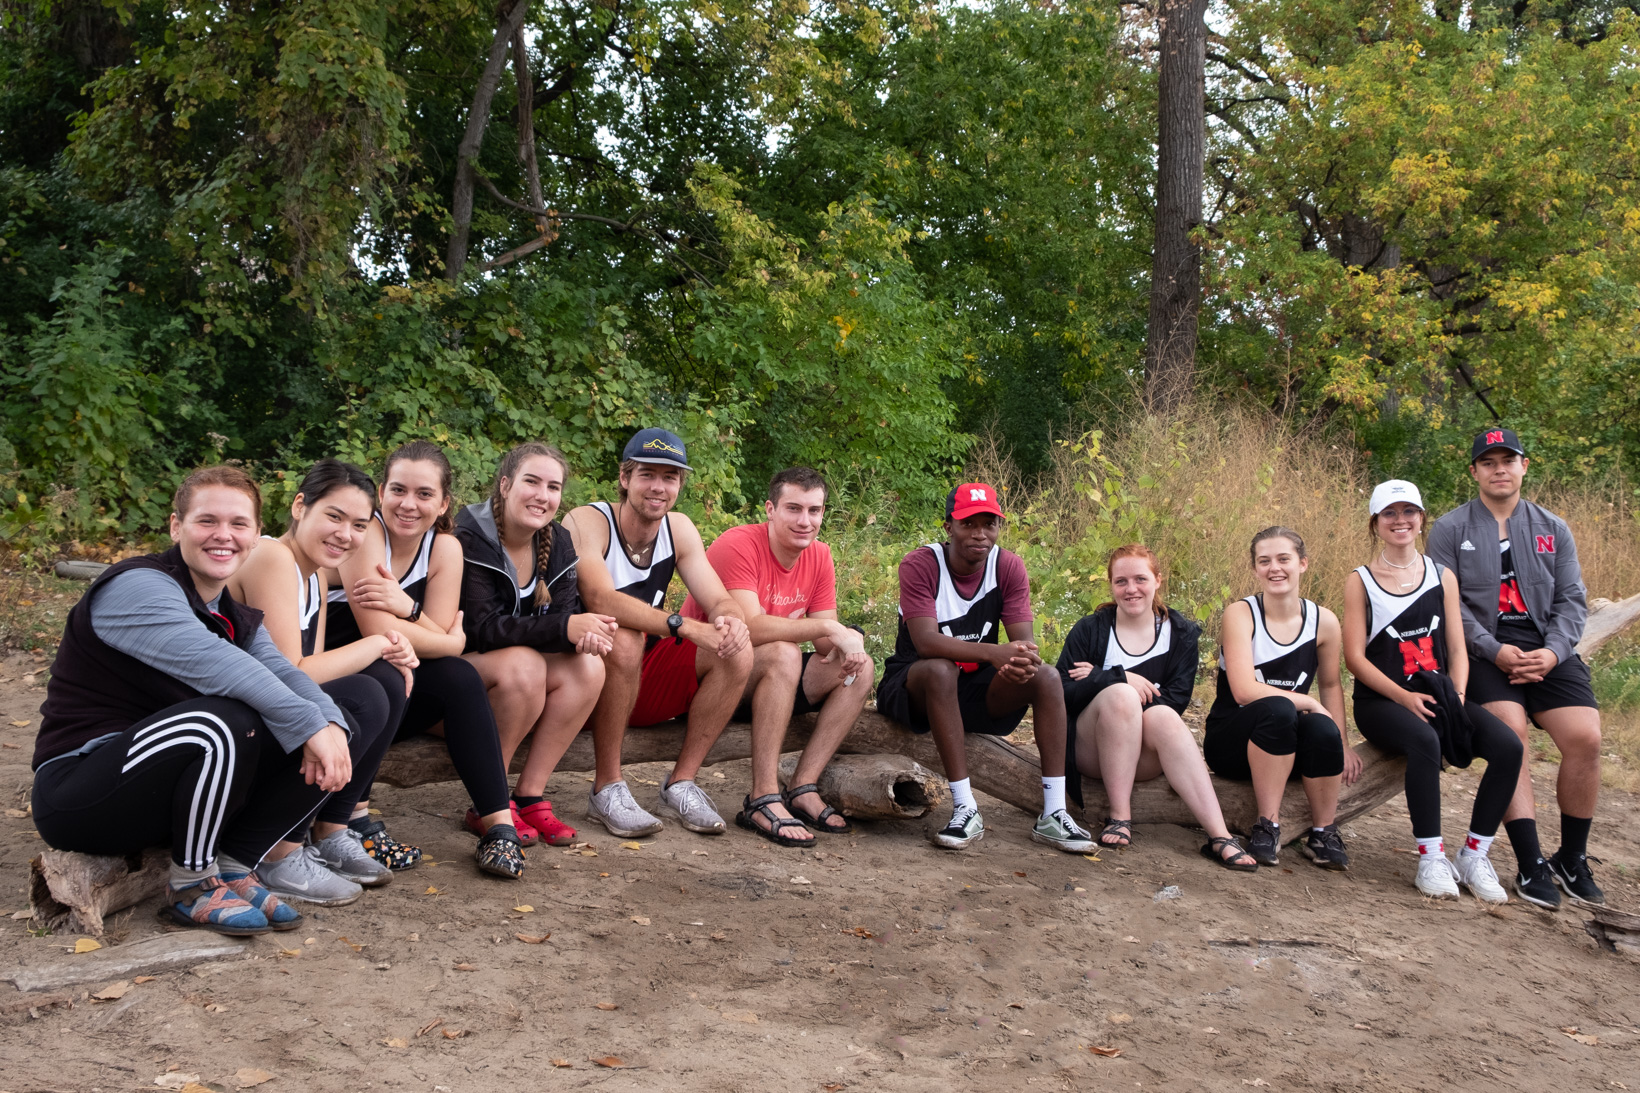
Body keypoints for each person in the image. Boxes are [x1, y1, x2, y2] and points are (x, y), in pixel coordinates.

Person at [31, 466, 366, 934]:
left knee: (349, 712)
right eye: (207, 521)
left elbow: (286, 675)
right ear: (176, 527)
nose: (223, 535)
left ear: (254, 535)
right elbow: (224, 667)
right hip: (81, 795)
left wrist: (330, 725)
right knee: (223, 719)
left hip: (159, 796)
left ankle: (235, 865)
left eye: (238, 524)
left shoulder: (232, 614)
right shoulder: (136, 587)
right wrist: (311, 726)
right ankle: (191, 883)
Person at [328, 441, 526, 879]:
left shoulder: (444, 549)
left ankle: (498, 825)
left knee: (458, 677)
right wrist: (448, 640)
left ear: (443, 503)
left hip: (390, 689)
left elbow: (426, 631)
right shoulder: (363, 534)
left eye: (423, 494)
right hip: (335, 681)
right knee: (397, 668)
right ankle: (353, 820)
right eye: (398, 490)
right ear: (381, 492)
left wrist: (405, 606)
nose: (408, 504)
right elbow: (379, 634)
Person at [1428, 429, 1605, 909]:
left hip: (1546, 648)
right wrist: (1492, 648)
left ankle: (1571, 857)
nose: (1499, 468)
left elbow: (1572, 599)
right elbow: (1445, 603)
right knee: (1511, 731)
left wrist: (1553, 651)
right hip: (1481, 650)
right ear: (1475, 472)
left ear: (1525, 466)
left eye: (1508, 459)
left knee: (1586, 736)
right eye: (1488, 462)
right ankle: (1530, 864)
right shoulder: (1449, 529)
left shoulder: (1553, 527)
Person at [225, 459, 416, 903]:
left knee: (386, 681)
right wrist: (382, 642)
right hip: (236, 719)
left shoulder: (314, 576)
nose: (345, 534)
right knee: (368, 690)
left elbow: (316, 668)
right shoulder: (273, 557)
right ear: (299, 507)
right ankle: (277, 852)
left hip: (268, 713)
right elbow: (292, 670)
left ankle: (331, 828)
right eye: (334, 516)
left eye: (359, 524)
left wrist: (389, 652)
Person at [875, 482, 1091, 853]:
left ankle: (1054, 813)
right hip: (915, 687)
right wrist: (993, 653)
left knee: (1048, 677)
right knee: (942, 669)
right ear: (948, 527)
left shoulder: (1007, 566)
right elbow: (925, 643)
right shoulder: (921, 564)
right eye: (968, 524)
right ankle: (965, 807)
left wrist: (1020, 665)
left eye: (989, 524)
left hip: (973, 690)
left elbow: (1022, 644)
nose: (980, 534)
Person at [562, 428, 753, 838]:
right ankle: (607, 788)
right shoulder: (588, 519)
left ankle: (682, 782)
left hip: (636, 679)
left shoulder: (678, 529)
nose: (658, 487)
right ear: (625, 478)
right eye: (648, 474)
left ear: (680, 484)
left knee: (737, 651)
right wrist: (681, 625)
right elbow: (598, 597)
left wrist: (731, 620)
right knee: (625, 637)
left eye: (670, 478)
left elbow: (719, 599)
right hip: (577, 677)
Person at [1344, 480, 1524, 902]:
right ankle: (1430, 857)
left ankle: (1474, 854)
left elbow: (1458, 650)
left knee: (1508, 746)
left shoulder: (1441, 575)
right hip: (1382, 701)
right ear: (1375, 523)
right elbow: (1355, 659)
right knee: (1425, 739)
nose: (1400, 520)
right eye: (1390, 513)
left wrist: (1457, 698)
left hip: (1440, 693)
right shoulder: (1361, 580)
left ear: (1422, 518)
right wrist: (1404, 698)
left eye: (1409, 511)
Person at [675, 467, 873, 846]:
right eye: (793, 509)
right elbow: (749, 625)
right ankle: (762, 796)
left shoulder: (820, 555)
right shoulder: (739, 544)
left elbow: (825, 643)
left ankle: (802, 787)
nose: (805, 521)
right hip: (711, 673)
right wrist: (828, 630)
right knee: (783, 652)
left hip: (768, 680)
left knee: (860, 672)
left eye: (814, 511)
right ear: (770, 509)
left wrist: (851, 645)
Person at [456, 442, 616, 855]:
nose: (542, 495)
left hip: (515, 681)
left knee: (589, 667)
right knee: (524, 664)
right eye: (531, 481)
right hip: (456, 684)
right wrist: (566, 626)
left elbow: (561, 618)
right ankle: (489, 801)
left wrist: (583, 634)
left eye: (553, 486)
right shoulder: (468, 537)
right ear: (505, 485)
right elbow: (481, 628)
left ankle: (529, 794)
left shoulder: (557, 540)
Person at [1056, 545, 1258, 871]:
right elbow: (1062, 692)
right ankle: (1120, 816)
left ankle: (1219, 836)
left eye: (1140, 579)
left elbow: (1176, 700)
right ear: (1111, 585)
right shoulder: (1090, 629)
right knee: (1121, 695)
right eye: (1121, 581)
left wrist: (1097, 677)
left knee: (1163, 715)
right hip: (1090, 749)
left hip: (1144, 756)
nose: (1131, 589)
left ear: (1157, 581)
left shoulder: (1181, 634)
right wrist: (1119, 678)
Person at [1203, 527, 1360, 869]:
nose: (1275, 568)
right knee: (1279, 709)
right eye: (1264, 561)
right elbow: (1244, 691)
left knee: (1320, 727)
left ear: (1302, 564)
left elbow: (1332, 686)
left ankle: (1323, 832)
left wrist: (1342, 742)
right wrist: (1309, 702)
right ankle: (1267, 825)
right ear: (1255, 569)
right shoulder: (1241, 614)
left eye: (1284, 559)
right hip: (1232, 741)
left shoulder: (1324, 622)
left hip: (1284, 743)